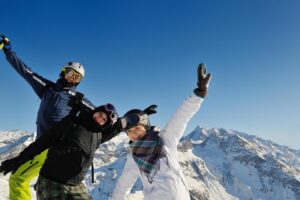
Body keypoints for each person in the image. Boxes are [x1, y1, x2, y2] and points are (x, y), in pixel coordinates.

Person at [0, 34, 94, 200]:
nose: (72, 79)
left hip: (53, 148)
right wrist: (9, 52)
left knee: (18, 178)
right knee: (36, 185)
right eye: (70, 74)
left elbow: (103, 115)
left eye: (76, 78)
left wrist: (134, 120)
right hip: (41, 145)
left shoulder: (77, 99)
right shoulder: (47, 88)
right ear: (63, 72)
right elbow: (27, 72)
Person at [110, 64, 212, 200]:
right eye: (130, 132)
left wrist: (198, 94)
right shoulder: (133, 158)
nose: (135, 134)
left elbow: (181, 117)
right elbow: (122, 189)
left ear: (146, 126)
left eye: (137, 128)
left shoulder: (165, 139)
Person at [0, 101, 121, 200]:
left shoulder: (98, 135)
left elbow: (120, 126)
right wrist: (18, 160)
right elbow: (42, 143)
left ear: (105, 124)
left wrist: (138, 117)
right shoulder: (72, 123)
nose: (99, 118)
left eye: (104, 119)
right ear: (95, 111)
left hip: (75, 185)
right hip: (51, 181)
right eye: (99, 114)